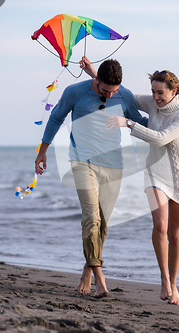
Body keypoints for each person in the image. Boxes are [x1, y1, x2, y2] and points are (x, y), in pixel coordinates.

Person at [34, 58, 148, 298]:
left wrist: (170, 120)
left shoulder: (123, 95)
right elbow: (56, 117)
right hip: (81, 161)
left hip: (113, 166)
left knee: (104, 222)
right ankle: (99, 277)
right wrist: (43, 150)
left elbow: (139, 121)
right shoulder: (76, 91)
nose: (109, 94)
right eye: (105, 90)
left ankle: (88, 267)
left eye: (113, 91)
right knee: (91, 217)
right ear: (96, 79)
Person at [101, 66, 179, 305]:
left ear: (173, 91)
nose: (155, 97)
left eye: (160, 93)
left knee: (175, 235)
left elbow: (161, 137)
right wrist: (96, 73)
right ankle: (164, 278)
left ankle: (174, 284)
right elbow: (123, 93)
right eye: (153, 92)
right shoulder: (153, 103)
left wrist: (128, 124)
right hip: (155, 174)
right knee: (160, 225)